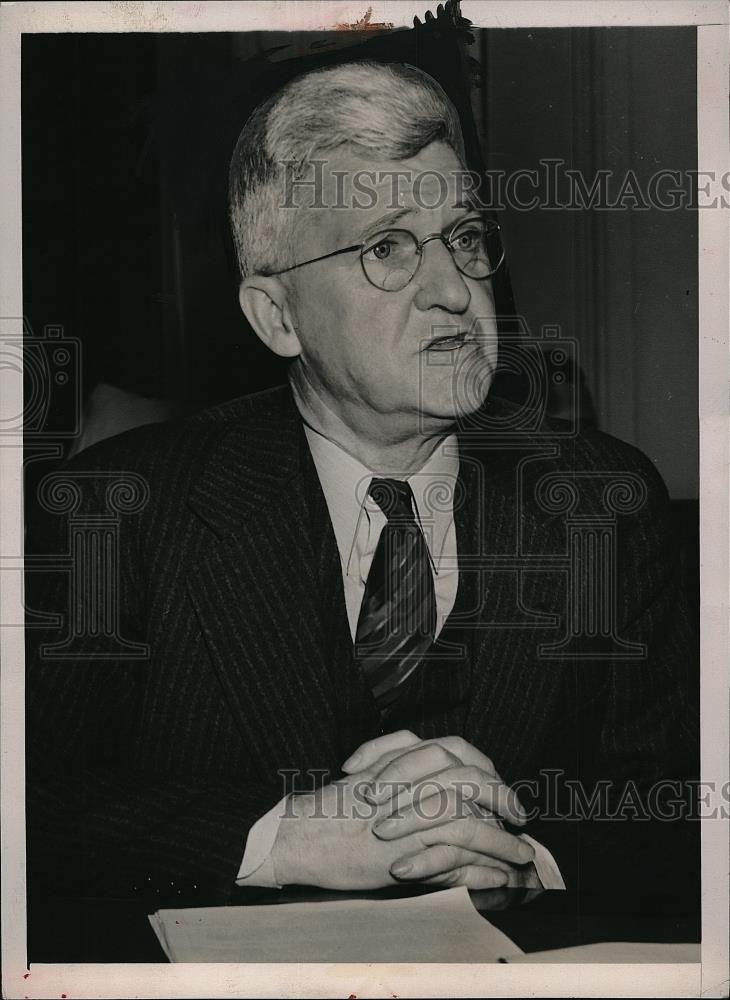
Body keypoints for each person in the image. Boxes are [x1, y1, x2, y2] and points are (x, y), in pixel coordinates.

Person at [26, 62, 698, 923]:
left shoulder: (602, 498)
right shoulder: (115, 513)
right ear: (278, 316)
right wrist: (281, 838)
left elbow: (678, 806)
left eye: (462, 237)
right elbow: (29, 799)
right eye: (387, 248)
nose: (456, 291)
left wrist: (531, 859)